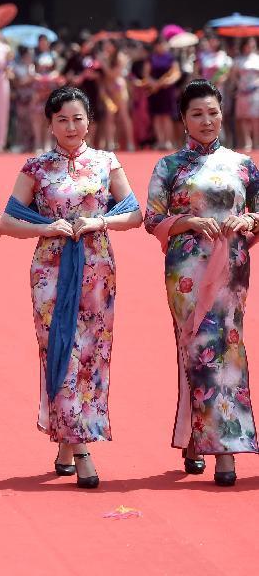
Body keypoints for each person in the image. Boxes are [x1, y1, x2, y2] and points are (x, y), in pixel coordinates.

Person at [0, 86, 142, 489]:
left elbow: (133, 213)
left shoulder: (105, 162)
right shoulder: (36, 168)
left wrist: (101, 221)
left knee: (92, 353)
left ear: (89, 120)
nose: (71, 126)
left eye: (78, 118)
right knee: (61, 348)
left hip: (97, 268)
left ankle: (66, 440)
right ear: (49, 124)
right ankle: (81, 449)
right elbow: (8, 221)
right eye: (62, 119)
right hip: (51, 269)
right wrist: (46, 226)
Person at [144, 79, 259, 486]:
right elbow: (152, 219)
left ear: (222, 113)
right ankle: (201, 439)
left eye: (212, 112)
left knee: (228, 349)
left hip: (231, 270)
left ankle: (222, 447)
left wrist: (248, 221)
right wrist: (190, 221)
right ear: (183, 119)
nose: (206, 120)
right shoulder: (170, 167)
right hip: (187, 273)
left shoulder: (243, 165)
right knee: (195, 350)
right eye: (197, 113)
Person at [146, 38, 181, 150]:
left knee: (166, 116)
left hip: (167, 90)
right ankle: (160, 141)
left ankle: (168, 141)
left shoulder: (171, 58)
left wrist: (167, 82)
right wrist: (154, 83)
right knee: (157, 116)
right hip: (154, 89)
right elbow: (146, 74)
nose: (161, 46)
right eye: (159, 44)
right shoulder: (151, 58)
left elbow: (176, 73)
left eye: (163, 43)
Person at [231, 37, 259, 152]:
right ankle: (247, 141)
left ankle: (256, 141)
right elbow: (233, 75)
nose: (249, 46)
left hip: (255, 90)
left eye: (252, 44)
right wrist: (238, 84)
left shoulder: (257, 58)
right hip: (242, 90)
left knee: (255, 117)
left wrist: (256, 84)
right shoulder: (238, 60)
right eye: (247, 44)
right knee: (243, 117)